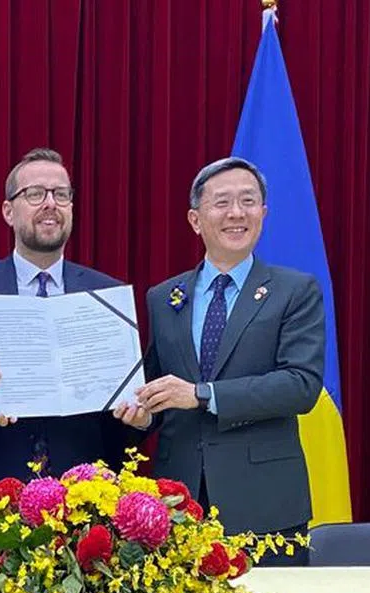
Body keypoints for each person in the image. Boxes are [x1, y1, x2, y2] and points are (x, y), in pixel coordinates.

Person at [115, 157, 325, 565]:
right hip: (178, 504)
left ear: (263, 214)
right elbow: (161, 387)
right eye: (222, 202)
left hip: (265, 506)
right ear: (195, 219)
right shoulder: (165, 297)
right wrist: (144, 416)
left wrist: (202, 394)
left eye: (248, 201)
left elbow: (301, 386)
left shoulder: (294, 291)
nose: (236, 213)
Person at [0, 148, 132, 510]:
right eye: (35, 194)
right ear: (9, 211)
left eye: (61, 194)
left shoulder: (107, 295)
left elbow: (121, 411)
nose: (50, 204)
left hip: (86, 497)